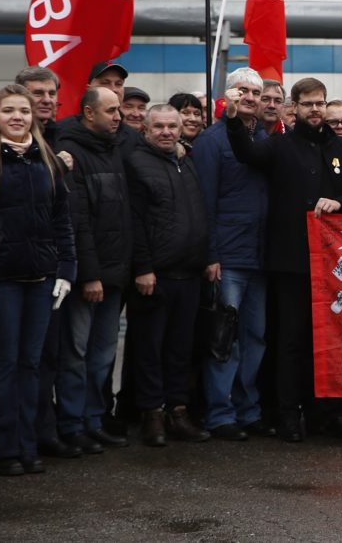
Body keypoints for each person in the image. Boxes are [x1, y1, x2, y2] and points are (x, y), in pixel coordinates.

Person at [224, 78, 342, 442]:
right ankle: (289, 414)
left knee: (333, 340)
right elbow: (247, 153)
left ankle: (328, 413)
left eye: (319, 103)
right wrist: (232, 119)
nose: (315, 110)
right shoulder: (279, 145)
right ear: (294, 107)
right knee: (291, 340)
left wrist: (341, 202)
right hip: (291, 262)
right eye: (308, 104)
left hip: (336, 264)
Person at [0, 85, 75, 476]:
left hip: (41, 278)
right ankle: (0, 448)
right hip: (0, 279)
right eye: (8, 111)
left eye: (24, 111)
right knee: (2, 364)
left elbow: (61, 218)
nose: (17, 117)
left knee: (31, 365)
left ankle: (26, 444)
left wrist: (66, 270)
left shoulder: (45, 159)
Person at [192, 68, 271, 442]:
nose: (250, 97)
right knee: (225, 340)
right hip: (228, 256)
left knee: (255, 338)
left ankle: (248, 410)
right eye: (243, 90)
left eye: (256, 92)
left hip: (260, 257)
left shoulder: (265, 138)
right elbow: (204, 201)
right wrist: (211, 254)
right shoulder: (211, 140)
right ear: (228, 96)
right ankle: (220, 413)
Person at [125, 106, 211, 447]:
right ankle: (152, 415)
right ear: (145, 130)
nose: (166, 132)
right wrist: (143, 268)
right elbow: (134, 221)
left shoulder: (186, 161)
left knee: (180, 349)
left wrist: (209, 256)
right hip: (154, 276)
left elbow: (200, 212)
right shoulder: (136, 163)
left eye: (171, 126)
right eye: (158, 126)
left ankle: (178, 411)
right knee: (150, 349)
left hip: (189, 273)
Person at [53, 88, 133, 455]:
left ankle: (93, 420)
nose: (119, 116)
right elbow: (78, 219)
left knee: (102, 355)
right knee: (76, 353)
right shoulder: (72, 151)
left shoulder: (114, 148)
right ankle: (71, 423)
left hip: (115, 274)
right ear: (89, 113)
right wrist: (89, 275)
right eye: (111, 110)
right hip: (92, 276)